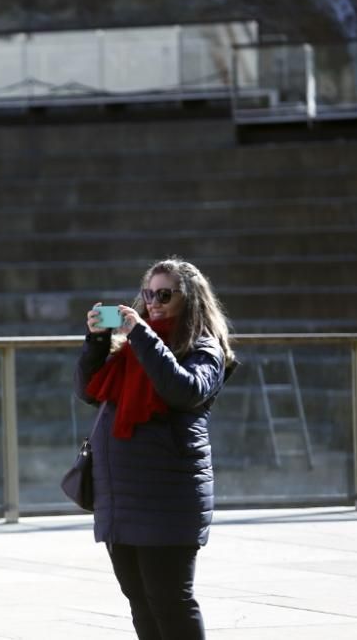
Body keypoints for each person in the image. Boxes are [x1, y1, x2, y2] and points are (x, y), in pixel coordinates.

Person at [73, 257, 236, 640]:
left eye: (165, 294)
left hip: (168, 497)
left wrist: (141, 333)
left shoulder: (203, 347)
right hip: (121, 494)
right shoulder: (129, 350)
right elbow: (87, 390)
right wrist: (97, 340)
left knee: (170, 601)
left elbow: (182, 391)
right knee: (140, 602)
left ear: (190, 300)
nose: (155, 301)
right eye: (149, 294)